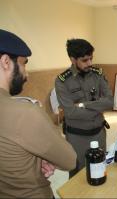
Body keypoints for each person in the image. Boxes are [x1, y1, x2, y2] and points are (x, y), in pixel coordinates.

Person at [0, 29, 76, 198]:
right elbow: (69, 160)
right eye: (23, 63)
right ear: (6, 61)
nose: (26, 74)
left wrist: (33, 159)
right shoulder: (24, 112)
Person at [55, 39, 113, 178]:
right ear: (73, 59)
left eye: (91, 59)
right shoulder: (62, 81)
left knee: (99, 170)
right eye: (85, 60)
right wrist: (98, 108)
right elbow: (70, 112)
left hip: (99, 133)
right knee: (77, 175)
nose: (90, 63)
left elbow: (110, 101)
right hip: (77, 137)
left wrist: (84, 105)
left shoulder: (97, 74)